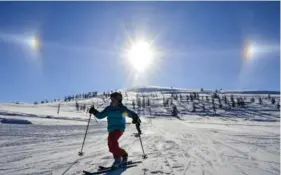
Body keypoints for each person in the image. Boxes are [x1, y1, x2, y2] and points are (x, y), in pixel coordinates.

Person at [89, 92, 141, 168]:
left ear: (119, 100)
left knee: (113, 143)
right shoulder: (108, 109)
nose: (112, 100)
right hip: (111, 129)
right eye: (111, 99)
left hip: (119, 128)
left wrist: (135, 117)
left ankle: (120, 158)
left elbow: (129, 114)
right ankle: (120, 157)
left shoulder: (121, 109)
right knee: (111, 145)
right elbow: (100, 116)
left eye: (114, 99)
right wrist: (94, 111)